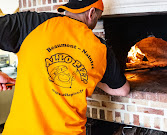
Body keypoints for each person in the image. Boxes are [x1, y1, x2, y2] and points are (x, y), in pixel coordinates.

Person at [0, 0, 130, 134]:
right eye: (98, 17)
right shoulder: (100, 47)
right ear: (91, 13)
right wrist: (89, 76)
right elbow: (122, 90)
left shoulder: (31, 23)